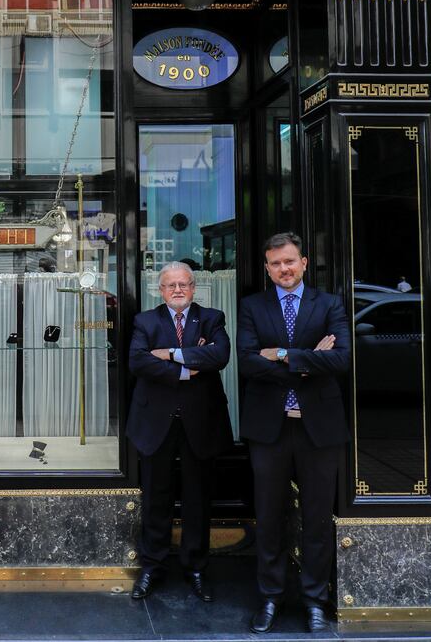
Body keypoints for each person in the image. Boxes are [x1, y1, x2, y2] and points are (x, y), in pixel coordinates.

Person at [237, 232, 350, 634]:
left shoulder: (330, 304)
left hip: (319, 427)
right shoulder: (252, 306)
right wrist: (308, 358)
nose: (283, 269)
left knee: (317, 518)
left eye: (289, 261)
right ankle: (270, 596)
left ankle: (315, 600)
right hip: (269, 427)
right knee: (269, 516)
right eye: (275, 264)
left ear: (304, 262)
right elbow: (249, 362)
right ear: (267, 269)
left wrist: (282, 354)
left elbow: (340, 359)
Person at [127, 261, 234, 602]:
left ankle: (196, 567)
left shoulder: (212, 317)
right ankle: (152, 566)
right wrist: (188, 368)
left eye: (183, 284)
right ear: (160, 290)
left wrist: (171, 353)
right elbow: (139, 361)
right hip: (155, 422)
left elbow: (219, 355)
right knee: (156, 497)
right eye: (170, 285)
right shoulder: (145, 320)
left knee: (197, 498)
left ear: (193, 288)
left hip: (200, 421)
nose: (177, 290)